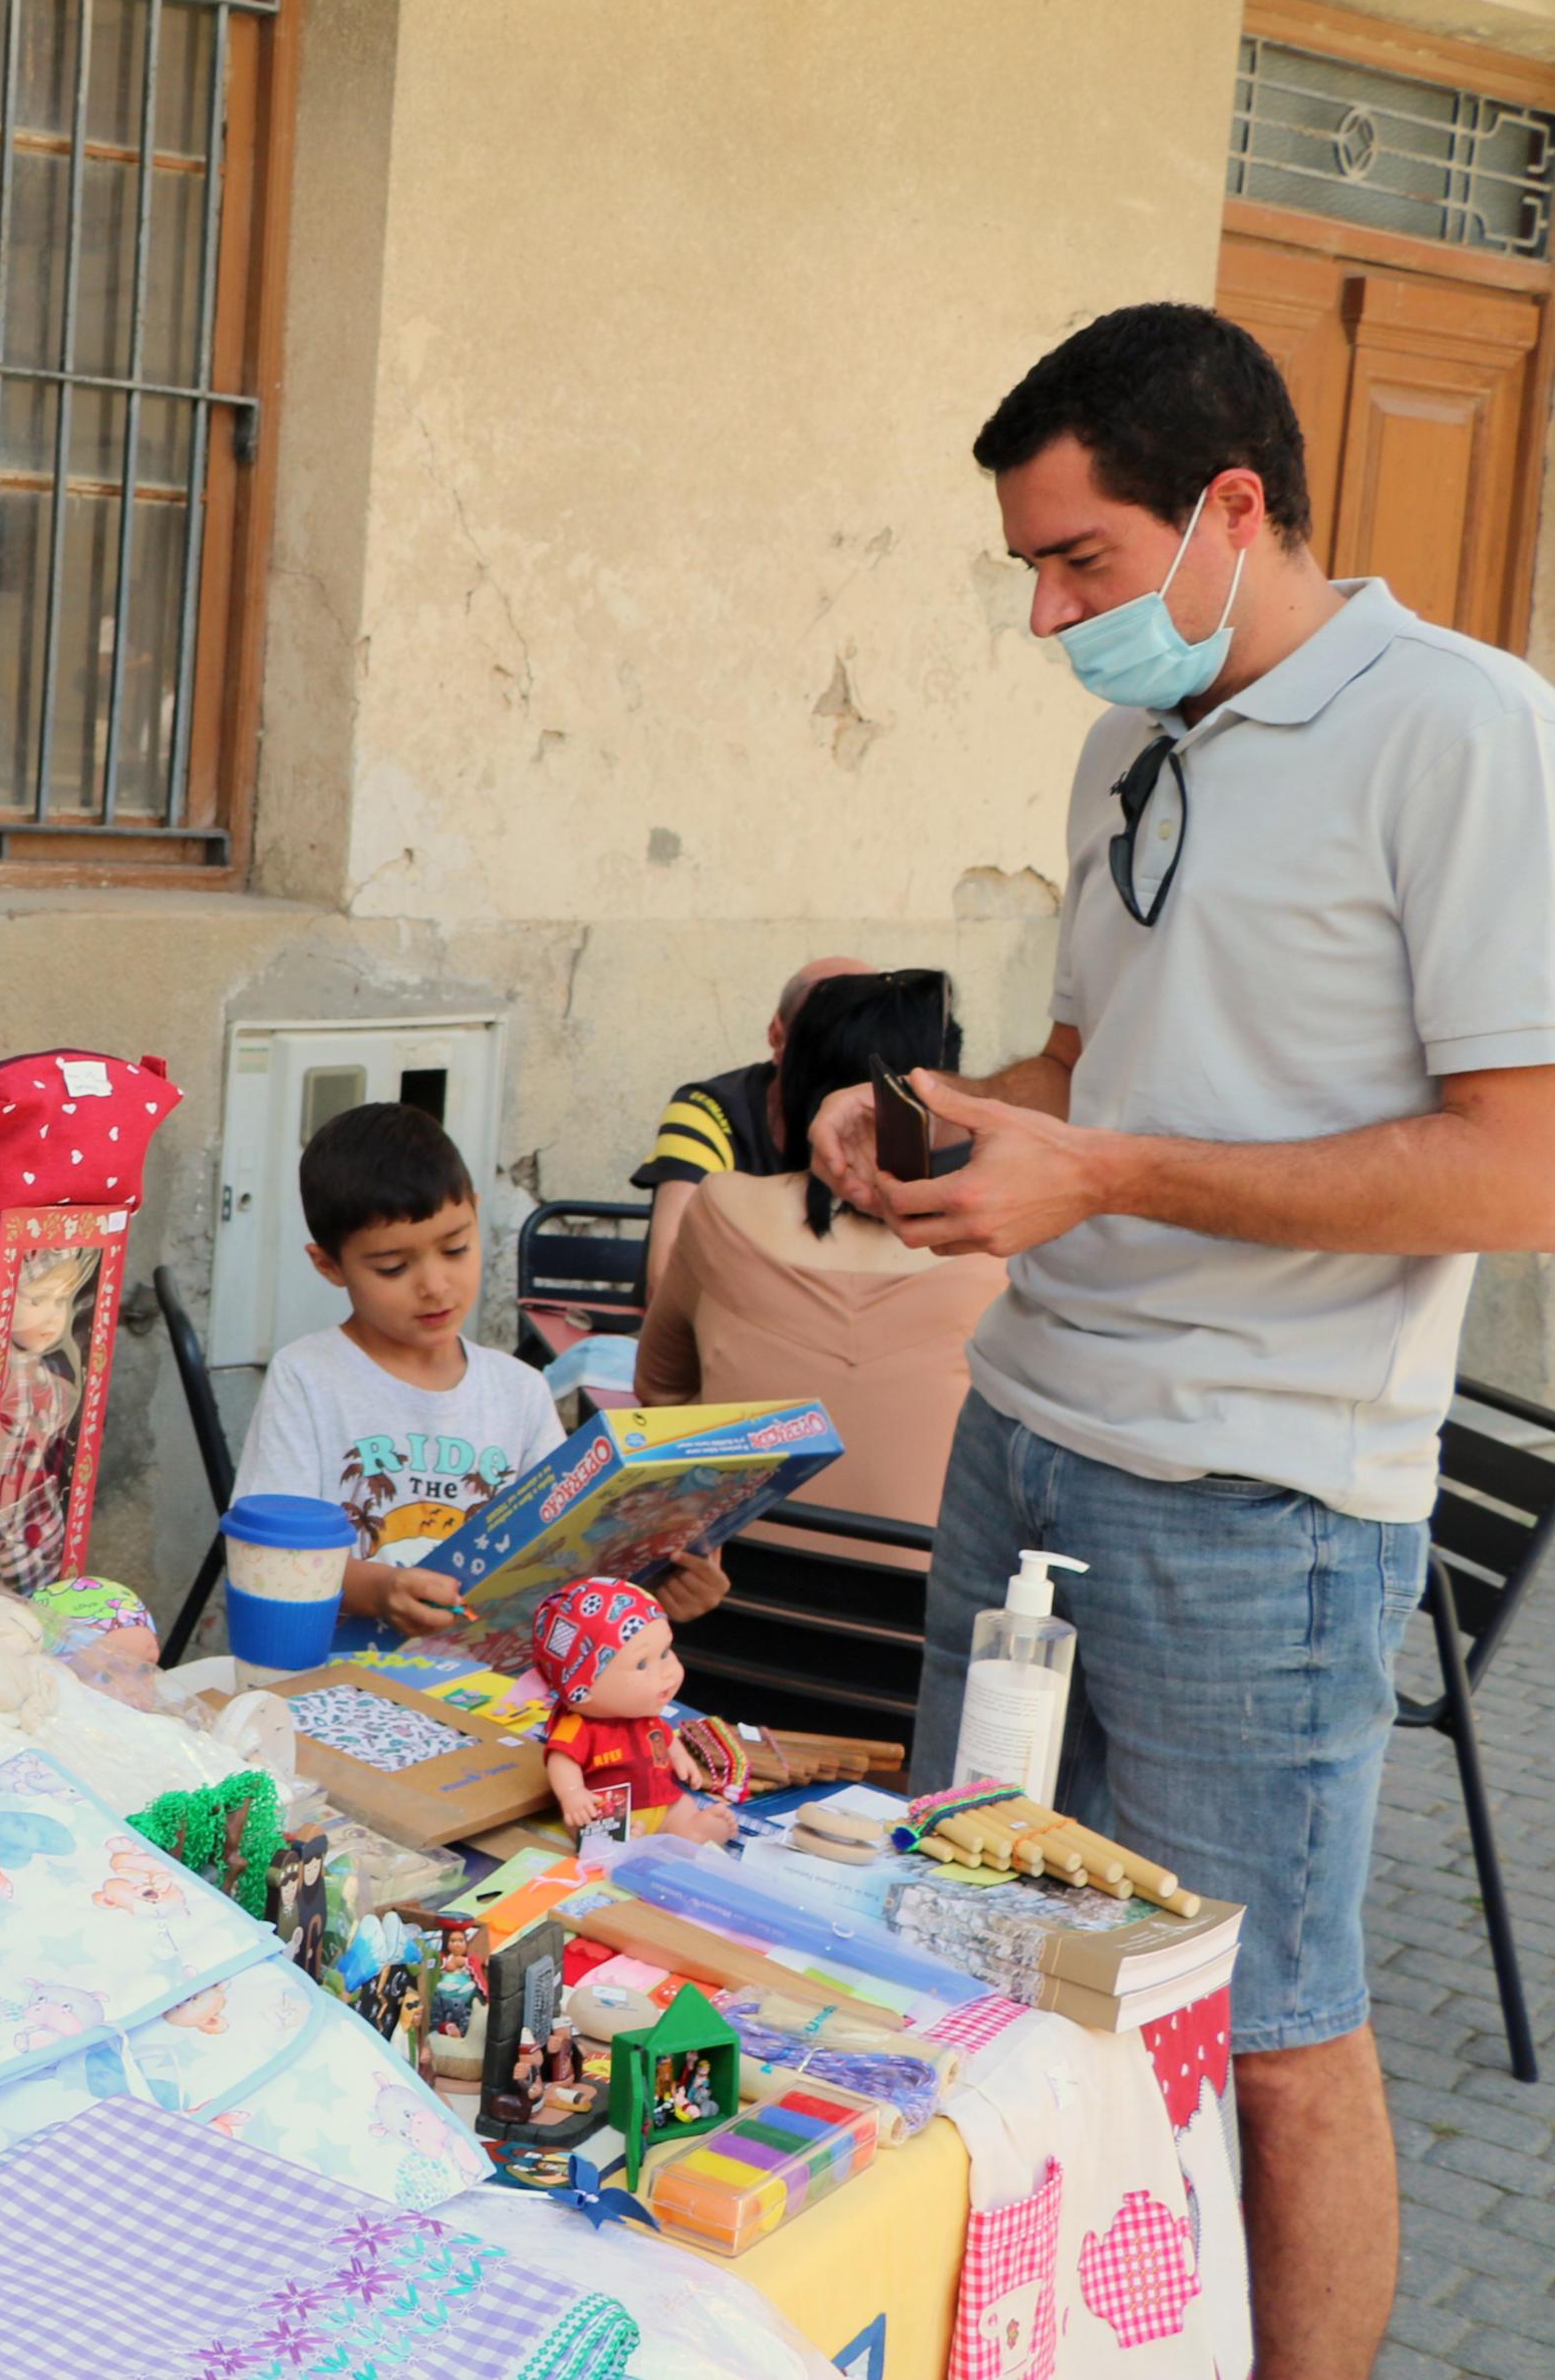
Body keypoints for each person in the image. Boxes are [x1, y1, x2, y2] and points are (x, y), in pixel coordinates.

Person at [813, 303, 1555, 2380]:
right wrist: (949, 1136)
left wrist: (1104, 1170)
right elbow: (1096, 1064)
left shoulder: (1468, 730)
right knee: (977, 1952)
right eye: (1027, 573)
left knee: (1268, 2033)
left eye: (1081, 564)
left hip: (1259, 1498)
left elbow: (1516, 1172)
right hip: (1024, 1437)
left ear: (1232, 507)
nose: (1048, 618)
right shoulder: (1123, 733)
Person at [241, 1104, 729, 1643]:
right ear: (329, 1265)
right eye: (392, 1267)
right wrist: (378, 1590)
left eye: (455, 1248)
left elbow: (562, 1564)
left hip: (488, 1692)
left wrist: (651, 1584)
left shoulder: (519, 1391)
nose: (434, 1284)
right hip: (335, 1685)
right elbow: (271, 1559)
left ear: (476, 1215)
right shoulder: (308, 1380)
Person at [634, 968, 1006, 1547]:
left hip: (737, 1602)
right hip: (925, 1618)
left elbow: (659, 1392)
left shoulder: (722, 1207)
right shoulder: (1003, 1249)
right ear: (943, 1102)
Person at [632, 954, 869, 1299]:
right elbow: (666, 1278)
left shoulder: (888, 1115)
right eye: (820, 1036)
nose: (838, 1053)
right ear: (777, 1035)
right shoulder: (710, 1109)